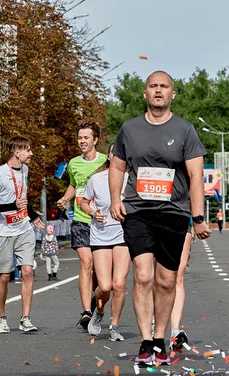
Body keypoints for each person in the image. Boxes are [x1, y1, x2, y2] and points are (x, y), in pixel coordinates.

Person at [109, 70, 211, 366]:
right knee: (142, 274)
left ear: (172, 94)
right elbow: (117, 167)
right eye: (153, 86)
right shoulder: (129, 129)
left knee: (166, 280)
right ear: (145, 94)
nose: (158, 90)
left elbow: (195, 176)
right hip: (138, 211)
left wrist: (199, 216)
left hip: (174, 213)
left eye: (164, 86)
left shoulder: (185, 130)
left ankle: (159, 340)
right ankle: (144, 341)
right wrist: (116, 199)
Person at [0, 136, 45, 334]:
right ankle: (1, 317)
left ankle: (25, 318)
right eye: (28, 150)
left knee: (27, 271)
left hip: (23, 229)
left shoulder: (25, 170)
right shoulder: (0, 174)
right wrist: (13, 206)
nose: (31, 153)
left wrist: (32, 214)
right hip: (2, 232)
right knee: (3, 277)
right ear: (17, 153)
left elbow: (22, 198)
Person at [56, 120, 107, 330]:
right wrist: (65, 198)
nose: (82, 141)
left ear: (95, 140)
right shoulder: (74, 163)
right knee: (86, 263)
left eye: (86, 137)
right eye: (80, 138)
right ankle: (86, 311)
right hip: (81, 220)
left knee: (99, 270)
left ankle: (96, 300)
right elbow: (73, 185)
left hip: (102, 223)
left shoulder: (107, 161)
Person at [80, 143, 130, 342]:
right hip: (100, 235)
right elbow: (83, 201)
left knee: (119, 284)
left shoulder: (130, 180)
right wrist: (93, 212)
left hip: (123, 235)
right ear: (109, 156)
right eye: (114, 153)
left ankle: (114, 325)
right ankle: (98, 310)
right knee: (105, 287)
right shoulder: (96, 179)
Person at [168, 220, 194, 351]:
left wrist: (196, 220)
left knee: (178, 276)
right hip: (152, 220)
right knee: (156, 278)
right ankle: (154, 324)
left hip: (181, 220)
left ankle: (175, 330)